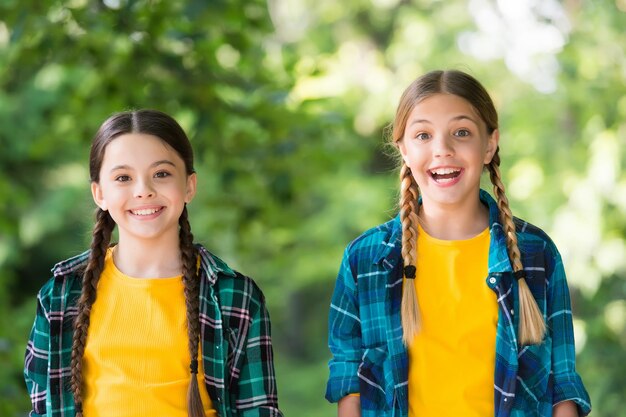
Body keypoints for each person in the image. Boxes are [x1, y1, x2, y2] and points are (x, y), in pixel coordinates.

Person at [325, 70, 591, 417]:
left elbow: (562, 382)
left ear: (490, 144)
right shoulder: (366, 259)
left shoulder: (534, 253)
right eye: (423, 135)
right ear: (403, 149)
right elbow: (350, 380)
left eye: (461, 132)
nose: (443, 150)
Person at [24, 109, 283, 417]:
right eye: (123, 177)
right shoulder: (60, 294)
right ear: (99, 193)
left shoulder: (234, 296)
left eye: (161, 174)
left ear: (189, 185)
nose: (143, 189)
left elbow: (259, 410)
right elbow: (44, 409)